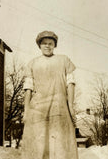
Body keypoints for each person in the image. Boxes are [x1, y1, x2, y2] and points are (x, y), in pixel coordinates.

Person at [21, 31, 78, 159]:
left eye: (50, 43)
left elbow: (71, 83)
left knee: (61, 142)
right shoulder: (33, 63)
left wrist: (71, 106)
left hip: (59, 106)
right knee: (38, 141)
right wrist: (26, 110)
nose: (47, 46)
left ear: (55, 45)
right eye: (44, 43)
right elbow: (28, 88)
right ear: (39, 45)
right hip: (38, 108)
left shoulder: (63, 60)